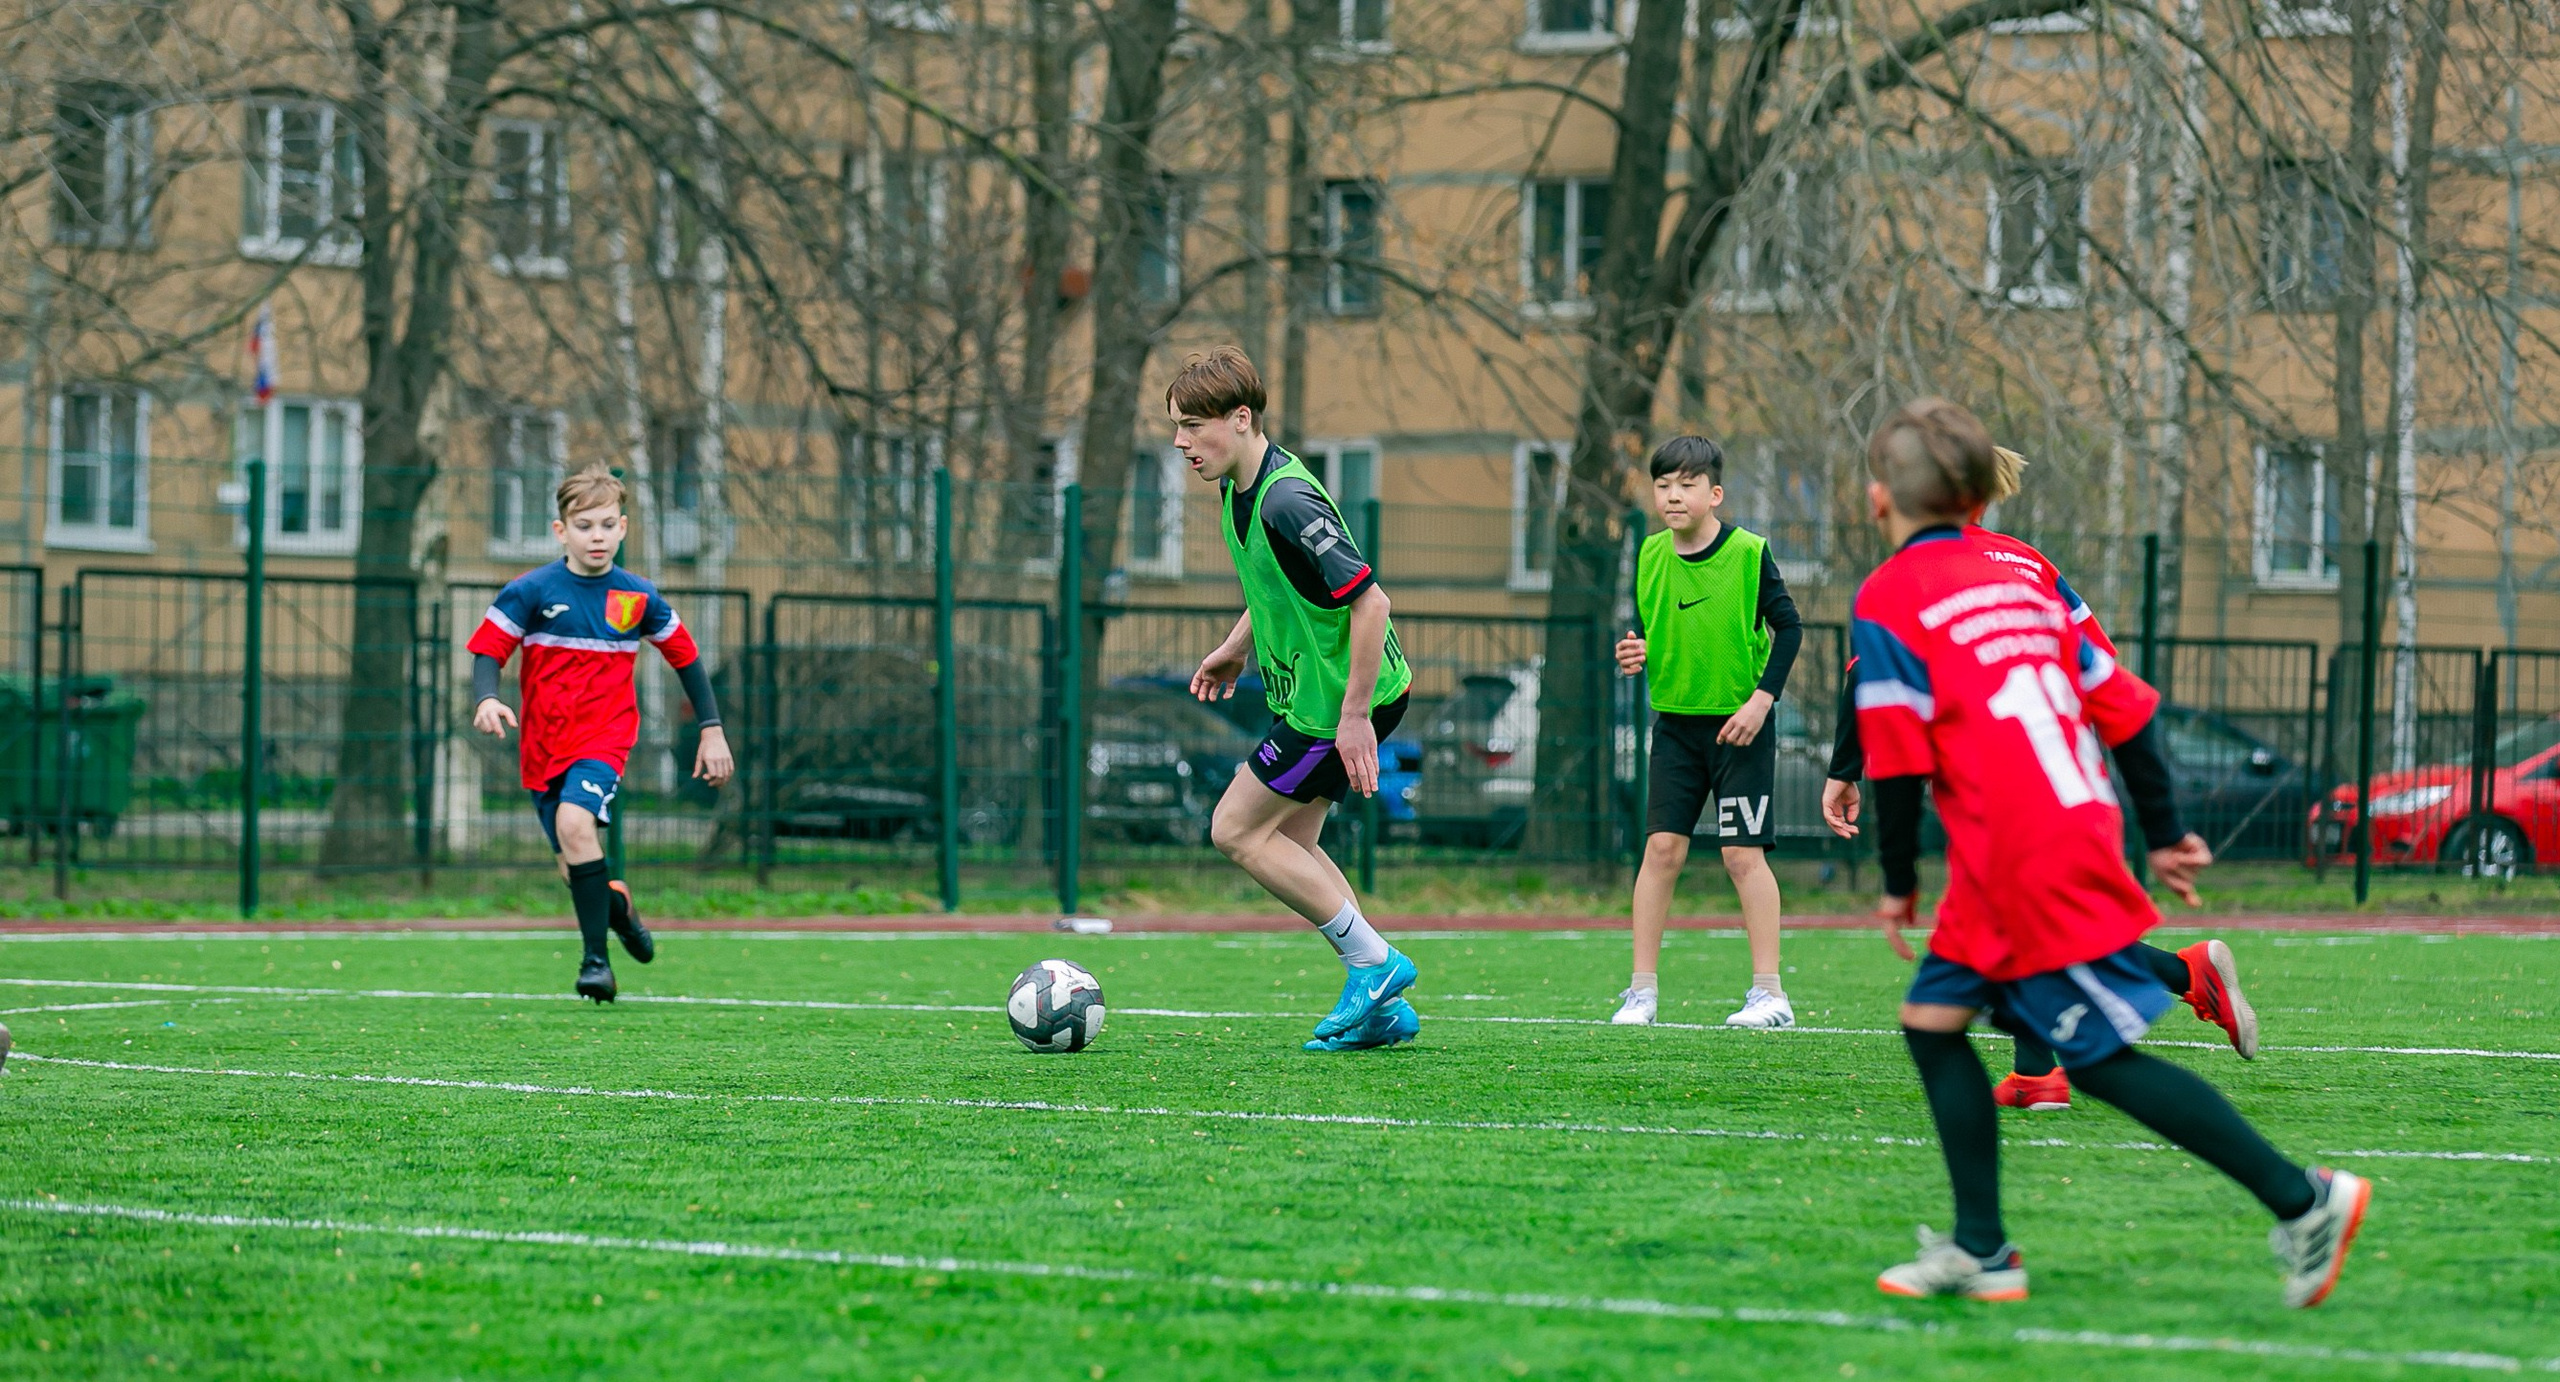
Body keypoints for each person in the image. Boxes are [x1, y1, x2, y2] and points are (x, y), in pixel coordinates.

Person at [1853, 398, 2367, 1307]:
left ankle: (2305, 1198)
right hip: (2058, 831)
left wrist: (1895, 885)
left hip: (2023, 853)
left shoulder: (1889, 594)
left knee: (2095, 1061)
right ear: (1979, 493)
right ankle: (1982, 1250)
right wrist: (2164, 831)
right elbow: (2126, 709)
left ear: (1878, 497)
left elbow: (1893, 762)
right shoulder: (2028, 575)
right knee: (1931, 1026)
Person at [1820, 446, 2256, 1107]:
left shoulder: (1914, 577)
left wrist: (1850, 778)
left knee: (2036, 950)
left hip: (1998, 783)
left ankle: (2185, 980)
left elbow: (1867, 680)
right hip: (2066, 770)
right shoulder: (2028, 561)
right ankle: (2039, 1072)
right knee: (2019, 933)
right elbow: (2098, 662)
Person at [1172, 348, 1420, 1053]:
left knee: (1235, 830)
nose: (1182, 443)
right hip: (1322, 700)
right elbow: (1282, 584)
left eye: (1193, 426)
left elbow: (1370, 602)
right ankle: (1378, 1000)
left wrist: (1353, 719)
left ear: (1241, 419)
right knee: (1293, 843)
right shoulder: (1238, 488)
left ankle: (1373, 964)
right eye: (1177, 428)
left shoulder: (1285, 498)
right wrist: (1238, 645)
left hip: (1332, 706)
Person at [468, 464, 734, 1004]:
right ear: (560, 530)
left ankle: (596, 965)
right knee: (574, 863)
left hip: (604, 741)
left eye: (607, 525)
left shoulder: (636, 596)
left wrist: (712, 730)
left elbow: (687, 659)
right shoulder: (531, 591)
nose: (597, 536)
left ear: (624, 528)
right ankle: (620, 908)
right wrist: (487, 697)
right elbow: (488, 651)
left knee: (574, 822)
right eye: (585, 525)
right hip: (543, 746)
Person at [1610, 436, 1803, 1028]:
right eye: (1663, 484)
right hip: (1674, 726)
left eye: (1686, 484)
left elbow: (1790, 629)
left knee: (1743, 855)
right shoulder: (1647, 555)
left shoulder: (1749, 553)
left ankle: (1770, 994)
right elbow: (1645, 629)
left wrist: (1761, 702)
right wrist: (1632, 652)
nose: (1672, 495)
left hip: (1740, 729)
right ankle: (1641, 992)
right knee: (1660, 851)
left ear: (1714, 493)